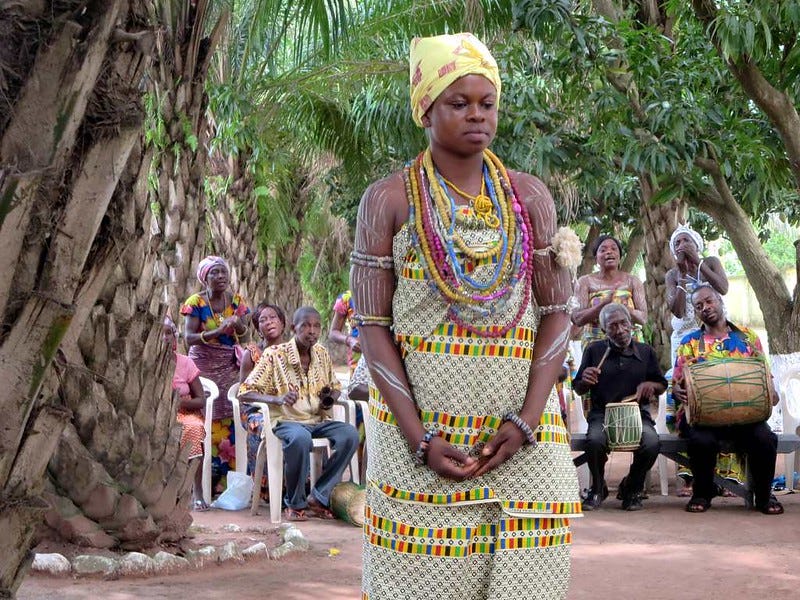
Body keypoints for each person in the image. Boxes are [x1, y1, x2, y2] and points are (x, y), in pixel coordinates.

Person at [351, 33, 581, 599]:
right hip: (421, 450)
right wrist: (418, 439)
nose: (477, 115)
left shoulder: (530, 198)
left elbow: (557, 314)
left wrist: (525, 421)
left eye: (487, 102)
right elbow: (372, 330)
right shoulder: (389, 201)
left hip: (522, 444)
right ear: (425, 110)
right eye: (459, 103)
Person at [238, 306, 360, 521]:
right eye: (306, 326)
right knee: (299, 438)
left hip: (316, 419)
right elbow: (245, 392)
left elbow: (334, 385)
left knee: (349, 435)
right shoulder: (274, 355)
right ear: (294, 328)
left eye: (316, 326)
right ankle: (295, 503)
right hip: (286, 420)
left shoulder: (321, 354)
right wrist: (277, 399)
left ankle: (320, 495)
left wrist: (330, 396)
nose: (311, 331)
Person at [671, 284, 782, 515]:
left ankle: (764, 496)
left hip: (744, 417)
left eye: (709, 301)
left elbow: (764, 374)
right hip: (705, 418)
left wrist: (771, 391)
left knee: (765, 438)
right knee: (701, 440)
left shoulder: (748, 337)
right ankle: (702, 493)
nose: (705, 308)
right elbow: (678, 382)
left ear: (720, 301)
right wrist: (678, 392)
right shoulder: (690, 343)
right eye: (699, 306)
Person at [664, 224, 740, 496]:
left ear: (696, 244)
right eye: (676, 243)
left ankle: (727, 477)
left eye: (686, 240)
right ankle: (687, 476)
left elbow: (723, 287)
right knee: (684, 398)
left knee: (723, 395)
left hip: (716, 335)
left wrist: (697, 265)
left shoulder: (710, 262)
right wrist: (684, 277)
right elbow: (675, 308)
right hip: (686, 342)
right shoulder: (673, 274)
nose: (680, 245)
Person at [573, 303, 666, 511]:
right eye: (613, 326)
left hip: (637, 414)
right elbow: (578, 388)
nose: (620, 330)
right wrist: (585, 380)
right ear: (605, 330)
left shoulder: (645, 351)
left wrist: (650, 385)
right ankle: (598, 488)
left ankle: (631, 487)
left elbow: (661, 385)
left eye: (624, 324)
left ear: (631, 324)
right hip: (602, 414)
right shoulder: (594, 351)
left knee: (651, 443)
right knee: (595, 441)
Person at [181, 255, 250, 493]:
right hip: (202, 365)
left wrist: (238, 325)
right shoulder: (196, 303)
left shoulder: (237, 302)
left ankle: (225, 484)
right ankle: (200, 484)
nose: (220, 277)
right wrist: (215, 332)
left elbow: (246, 335)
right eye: (214, 273)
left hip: (228, 365)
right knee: (203, 416)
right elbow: (187, 338)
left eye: (223, 272)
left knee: (230, 417)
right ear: (204, 278)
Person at [238, 303, 287, 498]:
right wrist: (273, 400)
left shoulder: (294, 351)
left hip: (287, 407)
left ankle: (300, 485)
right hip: (255, 408)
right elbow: (243, 393)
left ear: (282, 323)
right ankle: (265, 487)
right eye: (262, 320)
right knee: (264, 424)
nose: (268, 322)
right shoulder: (252, 354)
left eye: (273, 317)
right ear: (258, 329)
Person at [163, 317, 208, 510]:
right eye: (161, 333)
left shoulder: (185, 363)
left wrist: (177, 403)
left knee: (194, 428)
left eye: (169, 332)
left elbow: (201, 399)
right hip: (154, 414)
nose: (165, 337)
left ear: (175, 336)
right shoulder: (142, 361)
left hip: (183, 413)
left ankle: (196, 491)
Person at [572, 235, 647, 348]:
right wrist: (602, 306)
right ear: (596, 257)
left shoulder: (633, 281)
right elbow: (577, 318)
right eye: (603, 250)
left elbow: (643, 318)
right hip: (596, 346)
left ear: (619, 256)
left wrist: (625, 310)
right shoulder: (585, 282)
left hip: (630, 344)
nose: (609, 252)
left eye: (613, 249)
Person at [329, 290, 361, 376]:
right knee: (359, 388)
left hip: (384, 359)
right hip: (357, 361)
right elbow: (333, 332)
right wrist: (350, 340)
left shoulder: (387, 291)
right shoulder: (347, 298)